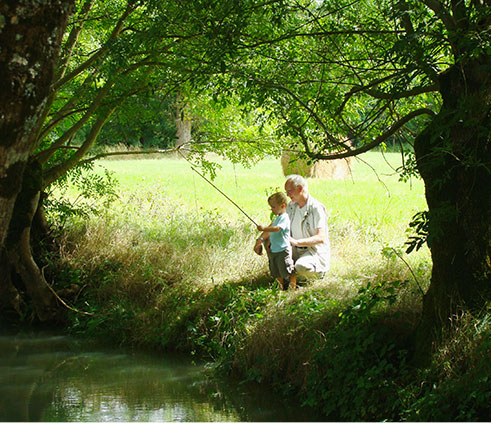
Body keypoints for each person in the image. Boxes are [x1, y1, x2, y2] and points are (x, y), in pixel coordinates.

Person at [255, 174, 330, 280]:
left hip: (313, 251)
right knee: (268, 241)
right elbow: (275, 226)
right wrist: (260, 240)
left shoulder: (316, 208)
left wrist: (296, 242)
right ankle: (282, 275)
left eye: (289, 191)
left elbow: (321, 238)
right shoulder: (290, 206)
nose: (287, 195)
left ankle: (313, 276)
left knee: (301, 266)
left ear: (300, 189)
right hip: (293, 249)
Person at [256, 192, 297, 290]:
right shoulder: (278, 218)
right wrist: (270, 242)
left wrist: (264, 228)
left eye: (273, 207)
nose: (272, 210)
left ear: (283, 206)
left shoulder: (284, 217)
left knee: (288, 270)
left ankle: (293, 288)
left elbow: (278, 229)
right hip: (275, 250)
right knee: (276, 271)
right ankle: (280, 288)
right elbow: (274, 233)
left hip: (283, 250)